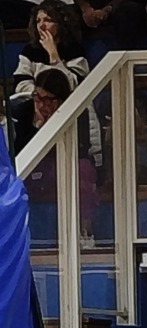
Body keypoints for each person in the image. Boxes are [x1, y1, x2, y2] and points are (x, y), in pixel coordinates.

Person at [18, 69, 103, 237]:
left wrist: (55, 126)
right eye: (38, 98)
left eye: (48, 100)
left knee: (84, 169)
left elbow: (81, 149)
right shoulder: (23, 111)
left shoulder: (78, 112)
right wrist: (39, 128)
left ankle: (84, 233)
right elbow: (20, 151)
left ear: (61, 100)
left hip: (64, 166)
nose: (42, 105)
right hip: (34, 169)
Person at [7, 2, 88, 154]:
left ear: (61, 23)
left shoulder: (74, 51)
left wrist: (54, 56)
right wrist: (40, 96)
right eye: (38, 21)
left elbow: (73, 86)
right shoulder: (30, 51)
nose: (42, 26)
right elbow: (21, 84)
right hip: (34, 106)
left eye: (48, 20)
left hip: (66, 108)